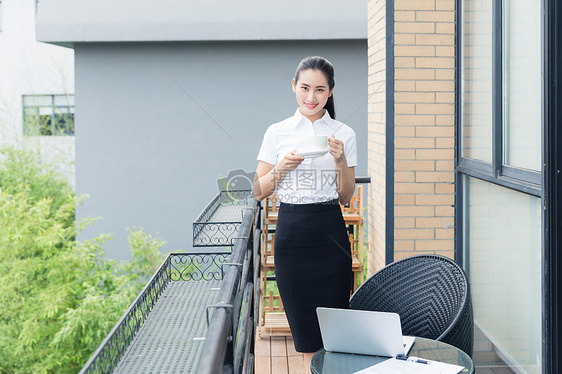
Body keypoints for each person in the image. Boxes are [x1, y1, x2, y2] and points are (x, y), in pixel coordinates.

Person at [253, 56, 357, 373]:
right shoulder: (277, 132)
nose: (311, 97)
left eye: (320, 90)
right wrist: (282, 168)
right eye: (305, 88)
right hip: (291, 235)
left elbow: (346, 195)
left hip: (331, 234)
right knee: (306, 336)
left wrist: (340, 161)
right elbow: (259, 190)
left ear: (330, 92)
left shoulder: (344, 133)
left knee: (335, 333)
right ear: (294, 87)